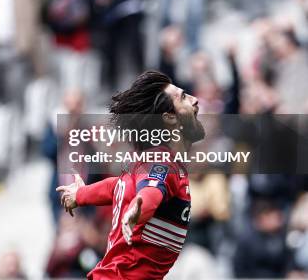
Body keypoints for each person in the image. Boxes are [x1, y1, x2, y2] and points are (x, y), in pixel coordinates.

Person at [56, 70, 205, 279]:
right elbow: (152, 191)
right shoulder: (162, 163)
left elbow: (114, 186)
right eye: (183, 97)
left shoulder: (143, 165)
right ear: (170, 117)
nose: (195, 99)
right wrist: (139, 207)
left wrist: (81, 194)